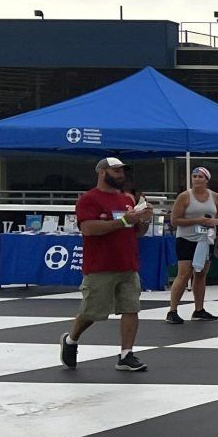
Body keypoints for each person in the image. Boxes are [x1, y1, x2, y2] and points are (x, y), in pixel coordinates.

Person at [61, 156, 153, 372]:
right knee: (93, 312)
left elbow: (136, 232)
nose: (121, 175)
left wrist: (144, 220)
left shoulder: (126, 200)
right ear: (103, 172)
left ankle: (126, 354)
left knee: (131, 308)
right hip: (100, 265)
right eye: (117, 171)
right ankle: (71, 339)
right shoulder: (89, 200)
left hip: (128, 263)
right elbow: (88, 229)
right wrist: (123, 221)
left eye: (122, 172)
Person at [164, 167, 218, 325]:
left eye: (200, 177)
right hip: (186, 238)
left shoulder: (215, 197)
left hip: (205, 239)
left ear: (206, 180)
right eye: (194, 176)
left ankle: (199, 309)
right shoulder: (184, 197)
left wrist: (216, 221)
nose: (197, 179)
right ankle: (172, 310)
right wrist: (198, 220)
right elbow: (174, 220)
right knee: (184, 273)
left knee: (201, 274)